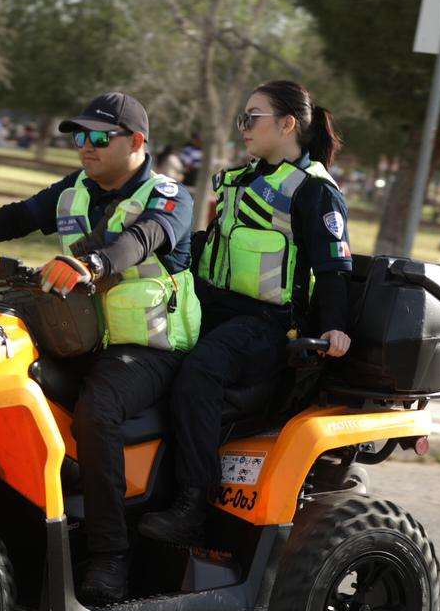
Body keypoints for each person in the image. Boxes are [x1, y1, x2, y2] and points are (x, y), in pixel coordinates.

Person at [0, 92, 200, 604]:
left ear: (137, 142)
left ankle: (111, 557)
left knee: (97, 410)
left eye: (99, 137)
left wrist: (96, 265)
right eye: (79, 136)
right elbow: (17, 216)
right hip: (78, 334)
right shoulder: (76, 189)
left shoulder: (168, 195)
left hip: (148, 348)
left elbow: (147, 237)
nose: (85, 146)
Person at [139, 80, 353, 545]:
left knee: (200, 373)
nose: (244, 127)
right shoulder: (242, 180)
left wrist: (336, 327)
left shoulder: (314, 191)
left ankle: (194, 503)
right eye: (243, 118)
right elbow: (208, 247)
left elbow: (334, 269)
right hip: (215, 308)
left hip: (271, 325)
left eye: (252, 117)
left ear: (287, 124)